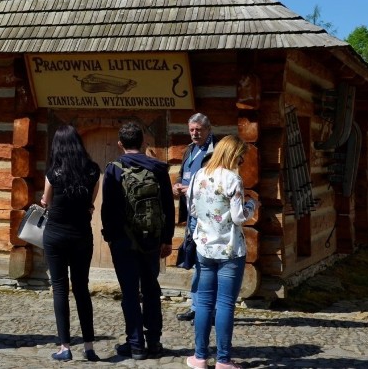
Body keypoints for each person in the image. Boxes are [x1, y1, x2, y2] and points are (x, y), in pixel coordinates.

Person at [101, 121, 175, 360]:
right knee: (151, 289)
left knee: (130, 293)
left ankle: (135, 345)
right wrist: (167, 238)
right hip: (152, 239)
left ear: (121, 144)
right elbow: (168, 206)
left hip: (124, 241)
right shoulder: (158, 168)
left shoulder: (113, 169)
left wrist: (111, 238)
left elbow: (108, 209)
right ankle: (154, 342)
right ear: (144, 142)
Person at [186, 135, 259, 369]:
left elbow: (193, 210)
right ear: (233, 155)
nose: (241, 161)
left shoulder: (199, 175)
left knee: (204, 303)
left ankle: (199, 357)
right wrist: (252, 205)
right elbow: (238, 217)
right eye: (241, 157)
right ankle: (224, 360)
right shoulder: (233, 179)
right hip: (230, 249)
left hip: (205, 247)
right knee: (225, 304)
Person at [40, 125, 101, 362]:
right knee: (82, 289)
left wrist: (47, 201)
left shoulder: (53, 173)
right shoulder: (93, 171)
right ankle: (89, 347)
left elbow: (47, 201)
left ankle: (65, 347)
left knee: (59, 289)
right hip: (81, 236)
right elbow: (90, 203)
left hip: (55, 235)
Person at [172, 113, 218, 322]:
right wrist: (177, 187)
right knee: (197, 262)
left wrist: (189, 188)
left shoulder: (215, 151)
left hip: (209, 215)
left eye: (198, 129)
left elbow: (215, 183)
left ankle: (207, 307)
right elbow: (185, 175)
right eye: (191, 130)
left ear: (208, 129)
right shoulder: (190, 150)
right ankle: (196, 305)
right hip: (192, 215)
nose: (194, 133)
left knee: (207, 262)